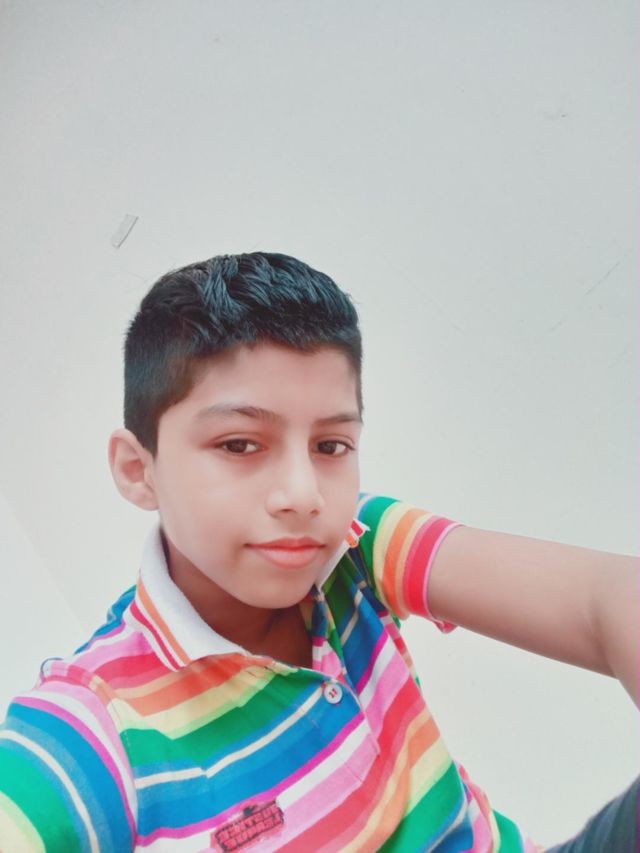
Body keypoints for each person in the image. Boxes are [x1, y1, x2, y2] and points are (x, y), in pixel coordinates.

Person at [0, 252, 636, 851]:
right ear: (138, 469)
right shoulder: (88, 732)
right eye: (240, 444)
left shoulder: (358, 546)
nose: (303, 496)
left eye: (330, 446)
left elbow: (600, 597)